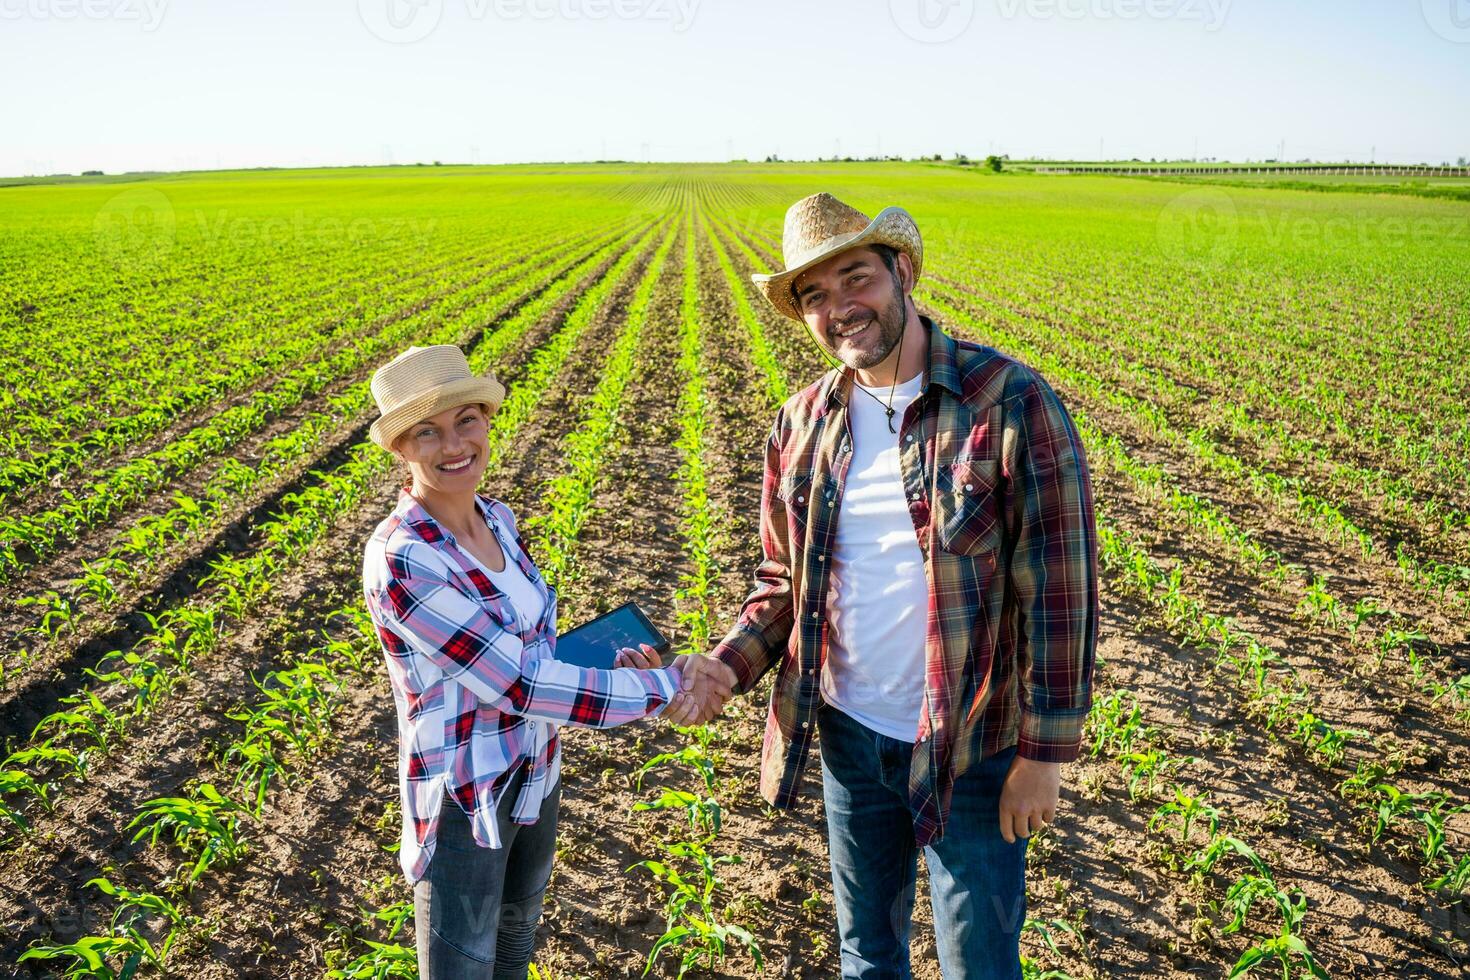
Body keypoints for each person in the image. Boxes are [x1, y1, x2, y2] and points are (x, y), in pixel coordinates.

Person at [677, 194, 1099, 978]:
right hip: (848, 736)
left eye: (855, 279)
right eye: (814, 295)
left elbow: (1060, 589)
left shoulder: (1007, 400)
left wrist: (1044, 756)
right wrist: (725, 669)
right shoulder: (801, 422)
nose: (841, 309)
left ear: (901, 271)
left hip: (974, 746)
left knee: (980, 964)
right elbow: (781, 583)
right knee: (867, 956)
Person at [360, 344, 730, 979]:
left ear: (486, 421)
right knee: (464, 968)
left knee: (512, 951)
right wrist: (662, 687)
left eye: (466, 421)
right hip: (465, 800)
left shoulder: (497, 520)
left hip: (534, 773)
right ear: (400, 449)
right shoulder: (403, 558)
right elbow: (522, 683)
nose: (453, 444)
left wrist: (619, 669)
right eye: (427, 431)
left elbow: (534, 651)